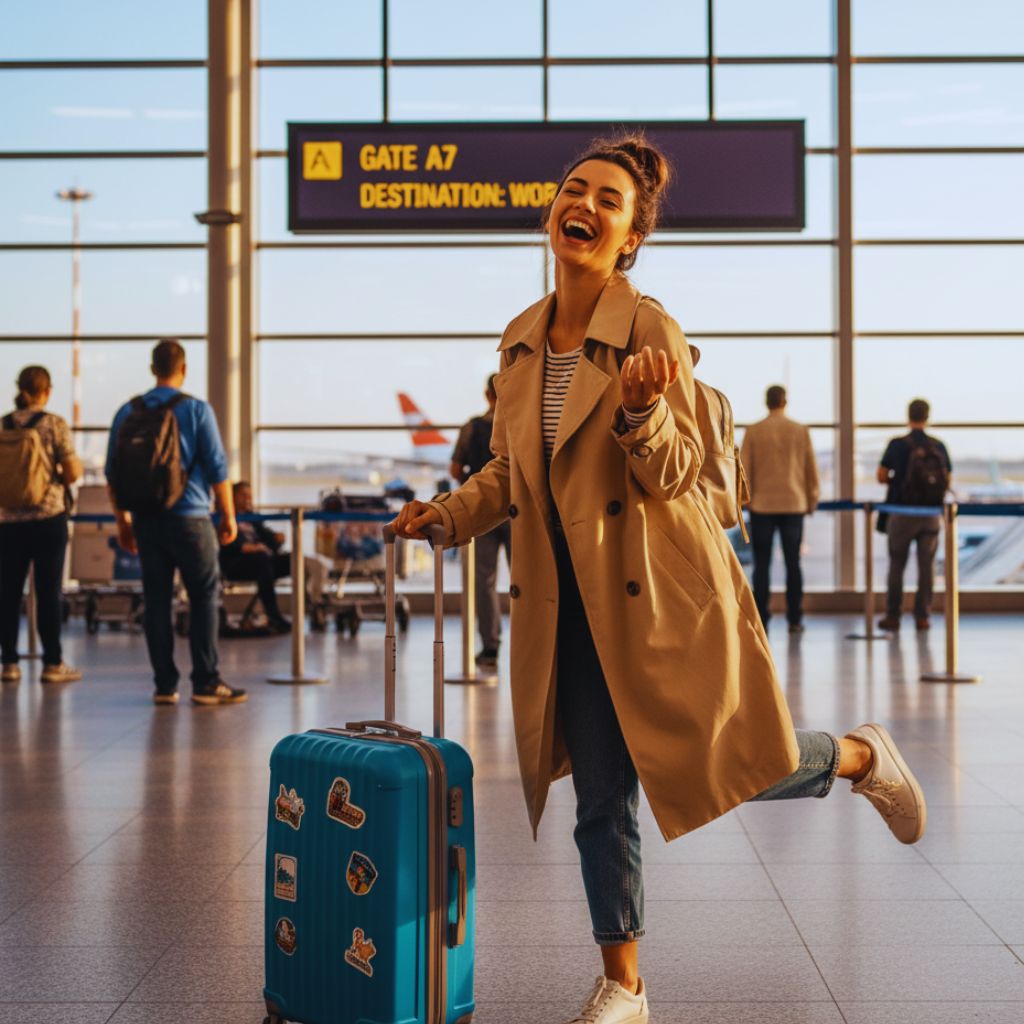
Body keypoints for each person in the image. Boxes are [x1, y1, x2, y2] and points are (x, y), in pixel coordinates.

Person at [392, 135, 927, 1024]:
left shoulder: (649, 328)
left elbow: (677, 472)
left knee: (734, 762)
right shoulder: (520, 343)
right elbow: (509, 474)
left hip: (651, 598)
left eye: (610, 201)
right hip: (565, 607)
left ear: (630, 238)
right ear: (552, 212)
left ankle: (859, 757)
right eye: (577, 190)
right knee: (602, 799)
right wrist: (445, 515)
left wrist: (641, 412)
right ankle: (625, 984)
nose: (588, 206)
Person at [105, 340, 246, 706]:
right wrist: (229, 515)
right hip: (191, 521)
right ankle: (205, 682)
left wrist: (123, 522)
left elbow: (112, 474)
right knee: (203, 597)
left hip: (146, 521)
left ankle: (165, 686)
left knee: (156, 601)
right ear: (183, 369)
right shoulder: (196, 410)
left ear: (153, 369)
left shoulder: (126, 411)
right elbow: (218, 469)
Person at [0, 366, 82, 684]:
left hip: (7, 520)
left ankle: (9, 662)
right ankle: (52, 662)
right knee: (48, 592)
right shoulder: (53, 424)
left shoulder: (3, 424)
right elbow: (73, 473)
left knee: (7, 592)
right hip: (47, 517)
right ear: (47, 390)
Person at [740, 384, 820, 633]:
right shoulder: (800, 430)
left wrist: (745, 500)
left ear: (766, 402)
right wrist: (811, 499)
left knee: (761, 564)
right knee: (793, 563)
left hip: (762, 505)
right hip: (793, 503)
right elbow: (810, 469)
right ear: (785, 402)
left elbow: (744, 469)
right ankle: (795, 618)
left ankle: (761, 618)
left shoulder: (754, 431)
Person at [449, 374, 511, 668]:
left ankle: (490, 647)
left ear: (487, 395)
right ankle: (535, 650)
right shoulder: (519, 425)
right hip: (517, 513)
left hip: (481, 513)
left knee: (484, 583)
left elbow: (454, 468)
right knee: (529, 582)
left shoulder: (472, 428)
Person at [877, 398, 952, 632]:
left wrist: (897, 481)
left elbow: (881, 475)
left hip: (901, 513)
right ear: (928, 417)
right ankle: (923, 616)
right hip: (930, 514)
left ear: (908, 416)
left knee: (897, 565)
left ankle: (893, 616)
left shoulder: (897, 445)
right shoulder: (938, 445)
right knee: (927, 567)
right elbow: (947, 479)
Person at [220, 480, 330, 632]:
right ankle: (273, 616)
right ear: (232, 497)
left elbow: (266, 537)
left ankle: (311, 605)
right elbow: (227, 544)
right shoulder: (223, 517)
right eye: (243, 495)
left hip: (262, 561)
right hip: (237, 563)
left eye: (250, 496)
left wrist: (276, 539)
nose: (248, 499)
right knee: (262, 562)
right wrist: (249, 547)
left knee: (295, 561)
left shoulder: (252, 518)